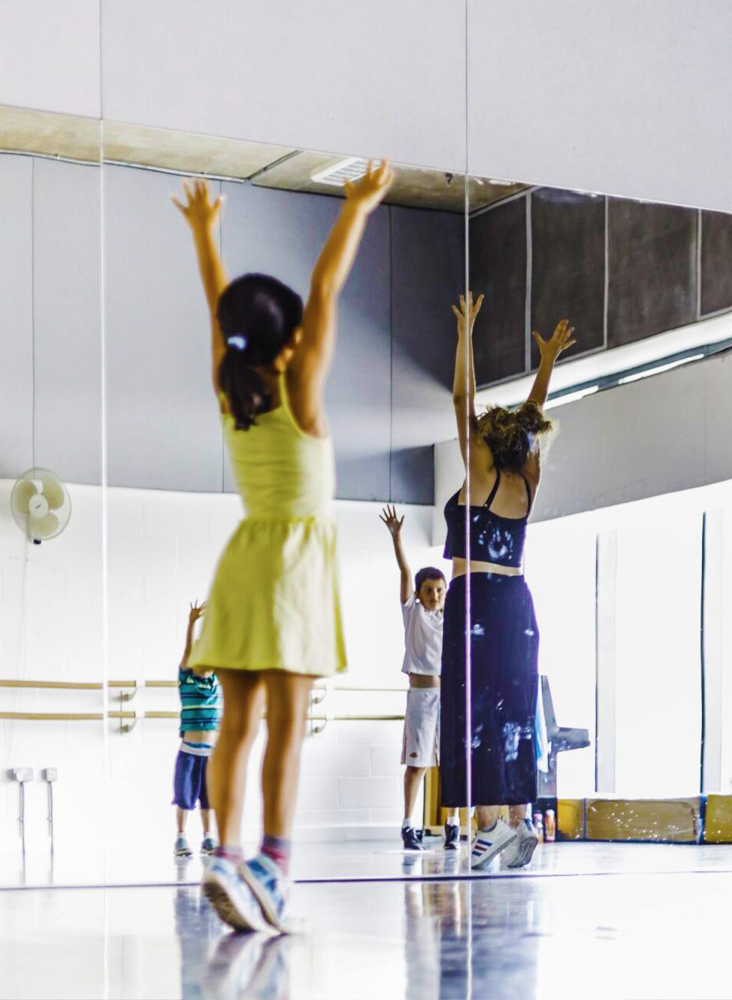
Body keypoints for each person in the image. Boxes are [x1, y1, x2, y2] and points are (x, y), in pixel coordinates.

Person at [175, 159, 394, 932]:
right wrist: (358, 209)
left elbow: (217, 314)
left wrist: (205, 236)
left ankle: (224, 854)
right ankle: (274, 864)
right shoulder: (301, 391)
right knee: (287, 724)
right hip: (296, 564)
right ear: (292, 339)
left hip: (242, 558)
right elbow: (327, 289)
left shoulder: (230, 384)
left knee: (233, 724)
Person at [441, 293, 574, 872]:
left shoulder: (483, 470)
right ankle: (515, 819)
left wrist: (466, 335)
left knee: (474, 710)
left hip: (477, 602)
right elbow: (532, 417)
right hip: (518, 603)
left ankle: (491, 824)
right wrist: (544, 365)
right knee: (512, 710)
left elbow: (461, 400)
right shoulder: (528, 478)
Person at [379, 504, 461, 852]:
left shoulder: (451, 618)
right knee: (418, 765)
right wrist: (397, 537)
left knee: (451, 763)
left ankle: (453, 824)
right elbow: (405, 570)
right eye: (429, 590)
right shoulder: (413, 614)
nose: (435, 595)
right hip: (422, 698)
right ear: (419, 593)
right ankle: (408, 824)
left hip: (449, 697)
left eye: (440, 590)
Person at [173, 601, 220, 858]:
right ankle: (180, 837)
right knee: (184, 795)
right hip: (189, 751)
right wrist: (191, 623)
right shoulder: (186, 679)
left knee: (209, 798)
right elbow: (188, 650)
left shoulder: (216, 683)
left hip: (210, 753)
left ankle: (208, 836)